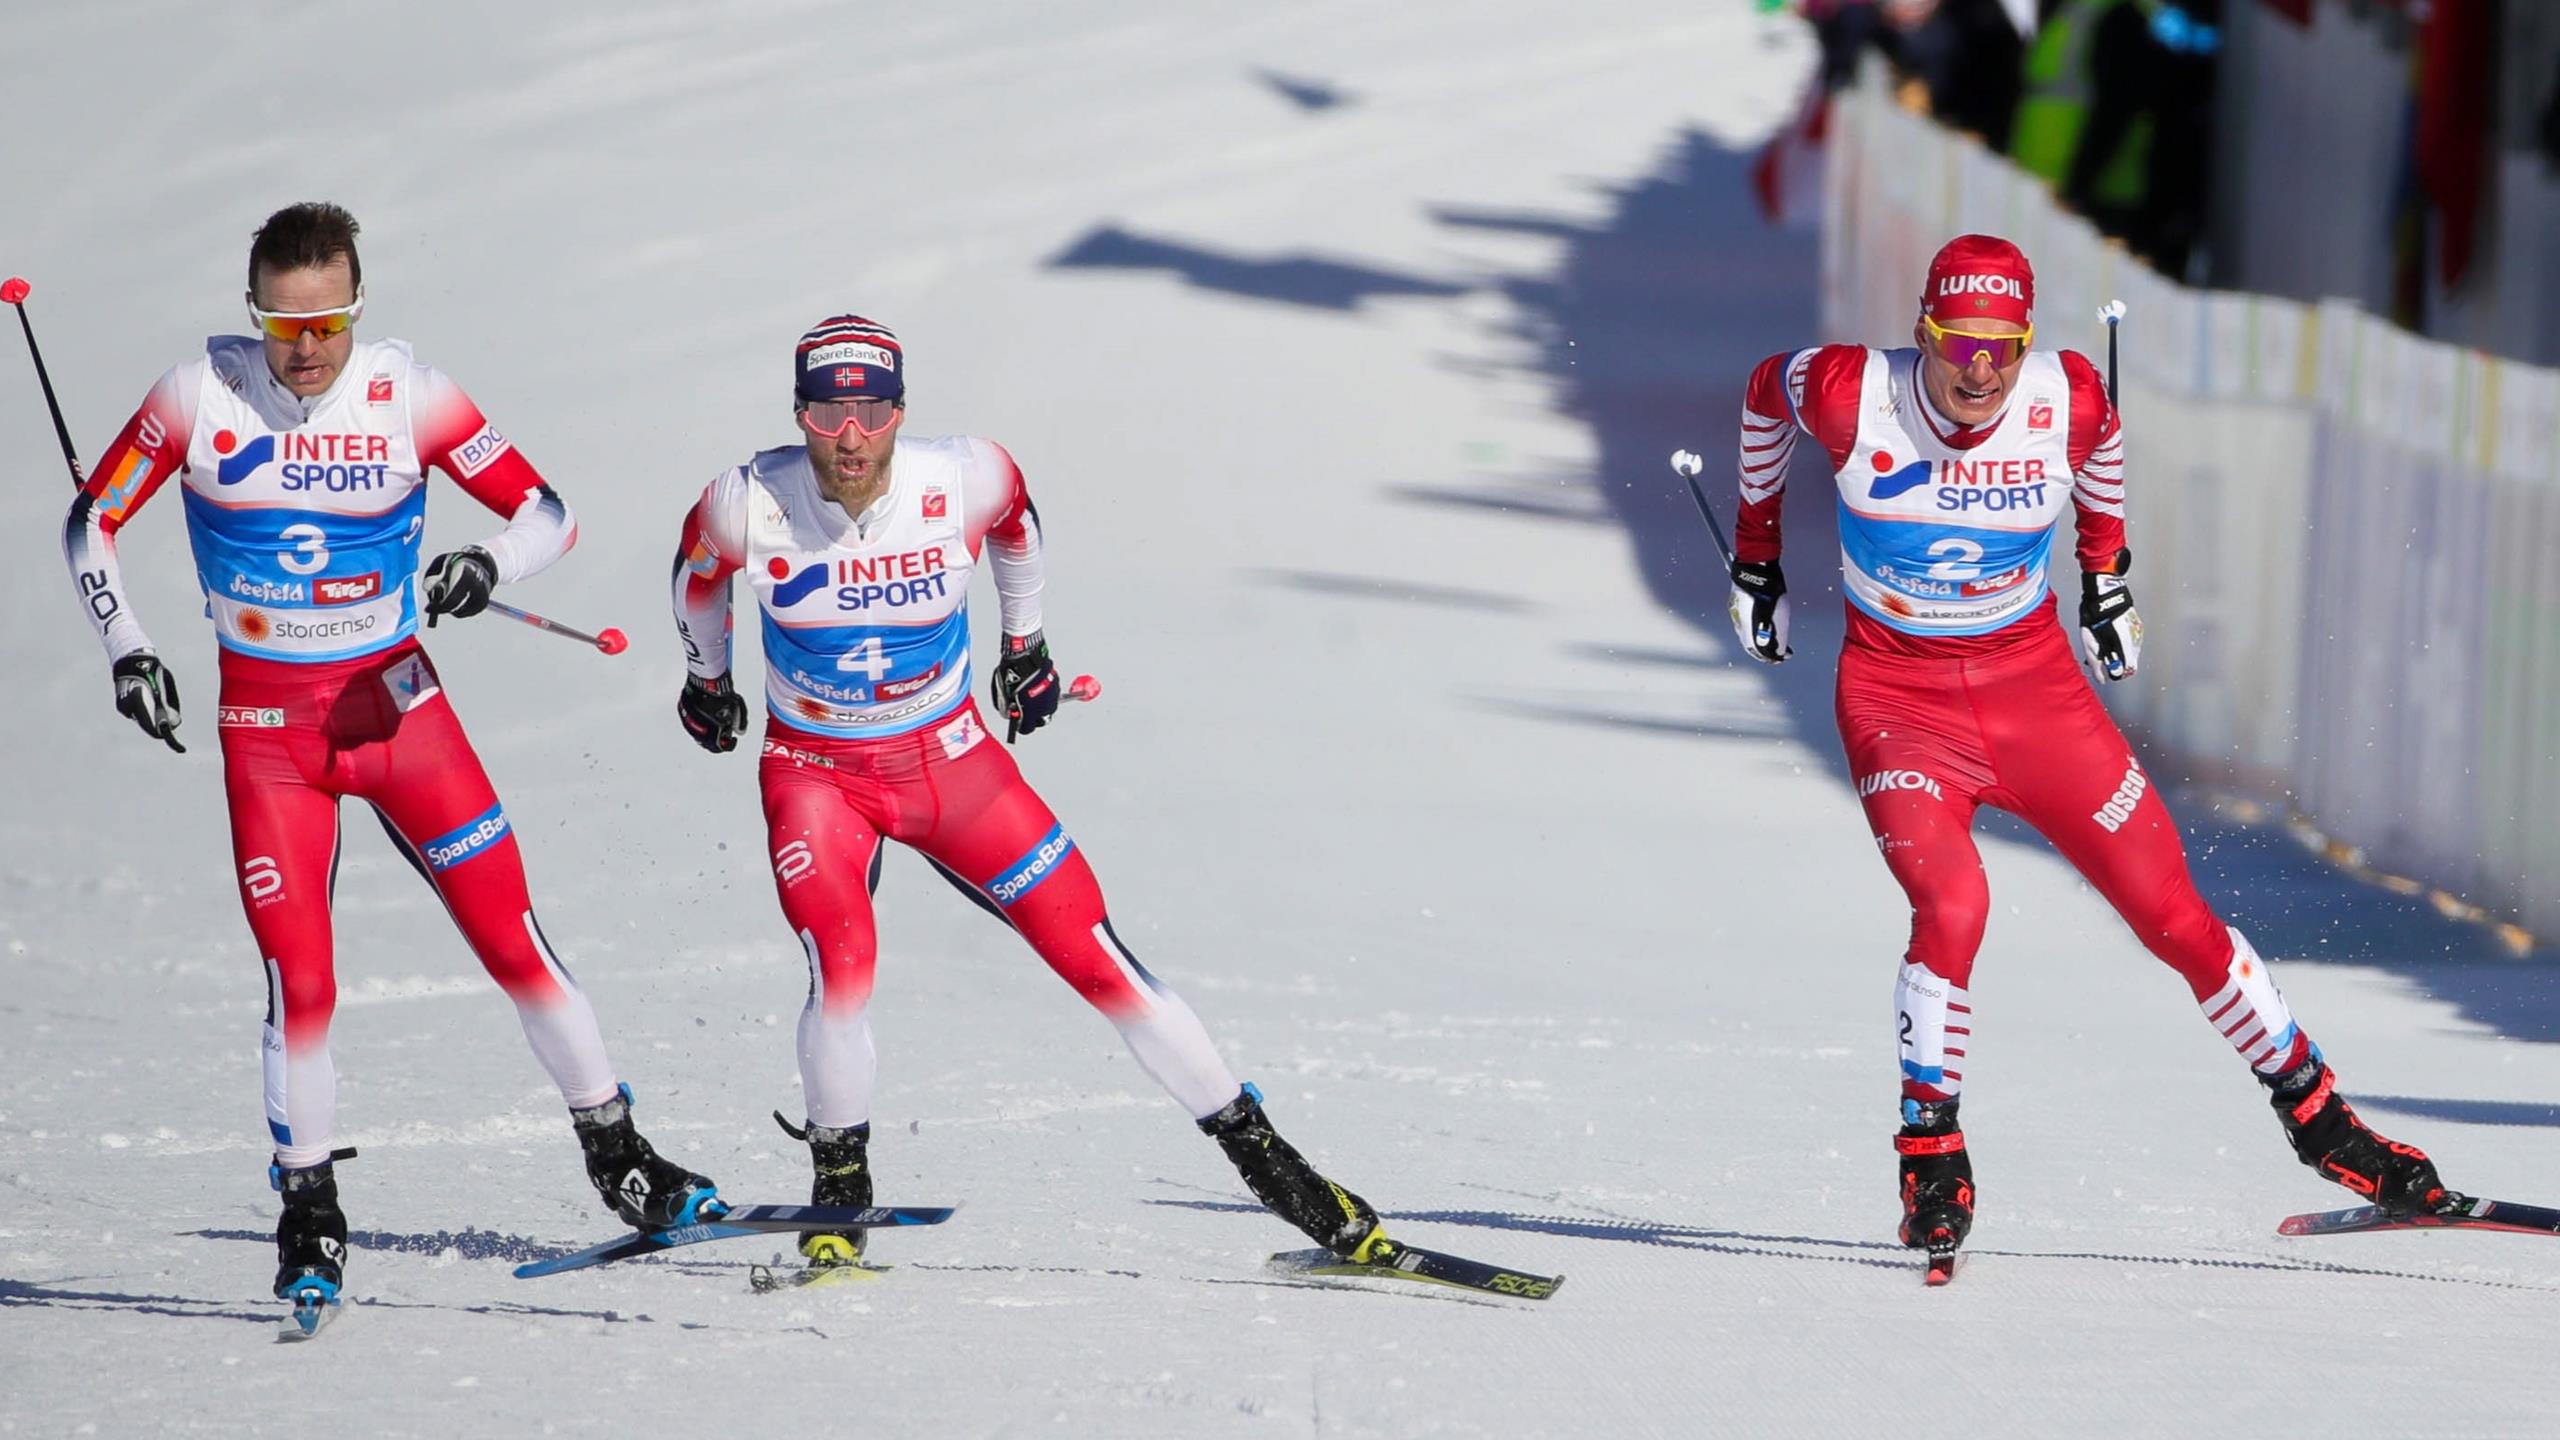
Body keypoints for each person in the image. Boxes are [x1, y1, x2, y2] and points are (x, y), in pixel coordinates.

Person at [1722, 233, 2459, 1266]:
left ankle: (2322, 1122)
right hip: (1900, 703)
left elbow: (2102, 445)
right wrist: (1756, 557)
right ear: (1923, 333)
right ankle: (1929, 1157)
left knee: (2173, 917)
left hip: (2037, 699)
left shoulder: (2064, 395)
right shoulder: (1852, 392)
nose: (1979, 372)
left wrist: (2104, 575)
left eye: (2001, 348)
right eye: (1958, 344)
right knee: (1953, 904)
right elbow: (1764, 392)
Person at [61, 202, 719, 1312]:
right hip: (267, 733)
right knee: (300, 984)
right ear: (254, 313)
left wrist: (489, 564)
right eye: (285, 325)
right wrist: (128, 650)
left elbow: (547, 512)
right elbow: (91, 522)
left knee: (515, 937)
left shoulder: (410, 392)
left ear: (358, 311)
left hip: (399, 712)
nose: (308, 348)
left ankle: (623, 1157)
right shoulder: (196, 396)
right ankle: (309, 1212)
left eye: (331, 324)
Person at [669, 315, 1383, 1272]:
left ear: (899, 412)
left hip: (950, 765)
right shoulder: (745, 500)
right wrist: (704, 679)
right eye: (827, 411)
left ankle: (1282, 1174)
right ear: (799, 412)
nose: (850, 436)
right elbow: (697, 580)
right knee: (841, 967)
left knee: (1095, 955)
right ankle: (840, 1194)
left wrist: (1026, 646)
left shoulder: (965, 477)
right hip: (817, 776)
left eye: (871, 410)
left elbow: (1017, 529)